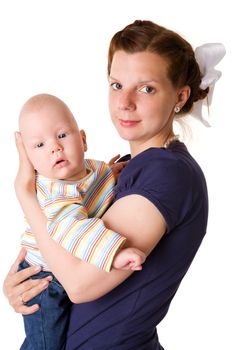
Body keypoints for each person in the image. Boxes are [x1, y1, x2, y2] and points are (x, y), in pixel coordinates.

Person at [3, 20, 225, 349]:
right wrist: (30, 279)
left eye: (146, 88)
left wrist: (26, 194)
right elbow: (67, 259)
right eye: (117, 84)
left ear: (180, 95)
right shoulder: (127, 170)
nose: (124, 102)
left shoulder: (168, 174)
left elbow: (79, 283)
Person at [15, 93, 146, 349]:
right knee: (46, 343)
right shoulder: (55, 193)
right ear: (29, 162)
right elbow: (76, 230)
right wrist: (114, 253)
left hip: (65, 268)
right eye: (39, 145)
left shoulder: (91, 168)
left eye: (62, 135)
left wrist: (111, 174)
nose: (55, 147)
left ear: (83, 139)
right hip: (44, 281)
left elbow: (97, 182)